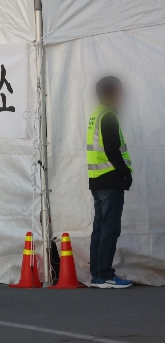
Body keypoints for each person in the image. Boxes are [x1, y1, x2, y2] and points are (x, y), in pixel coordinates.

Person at [87, 76, 133, 289]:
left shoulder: (96, 115)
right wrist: (125, 174)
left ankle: (97, 274)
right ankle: (105, 274)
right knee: (109, 229)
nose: (122, 96)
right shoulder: (108, 117)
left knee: (99, 228)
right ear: (112, 93)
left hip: (97, 180)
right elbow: (113, 150)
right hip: (110, 179)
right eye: (119, 91)